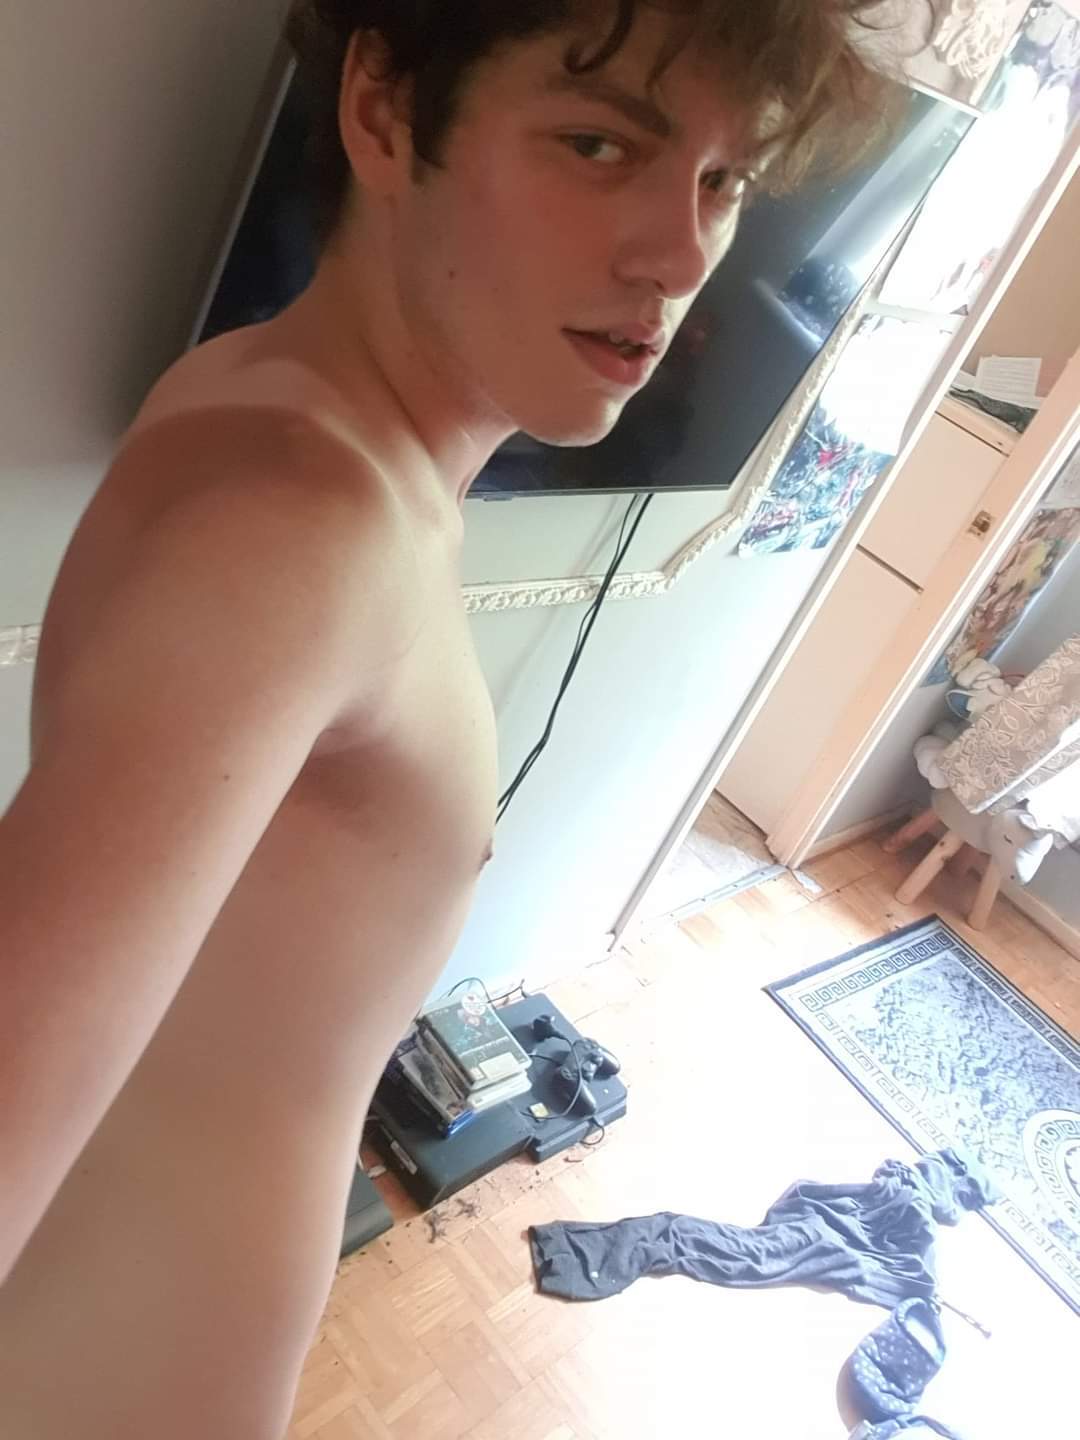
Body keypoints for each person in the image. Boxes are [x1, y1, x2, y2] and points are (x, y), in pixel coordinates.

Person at [0, 2, 889, 1434]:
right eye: (598, 145)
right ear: (384, 107)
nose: (682, 257)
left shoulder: (275, 402)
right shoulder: (303, 531)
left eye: (724, 181)